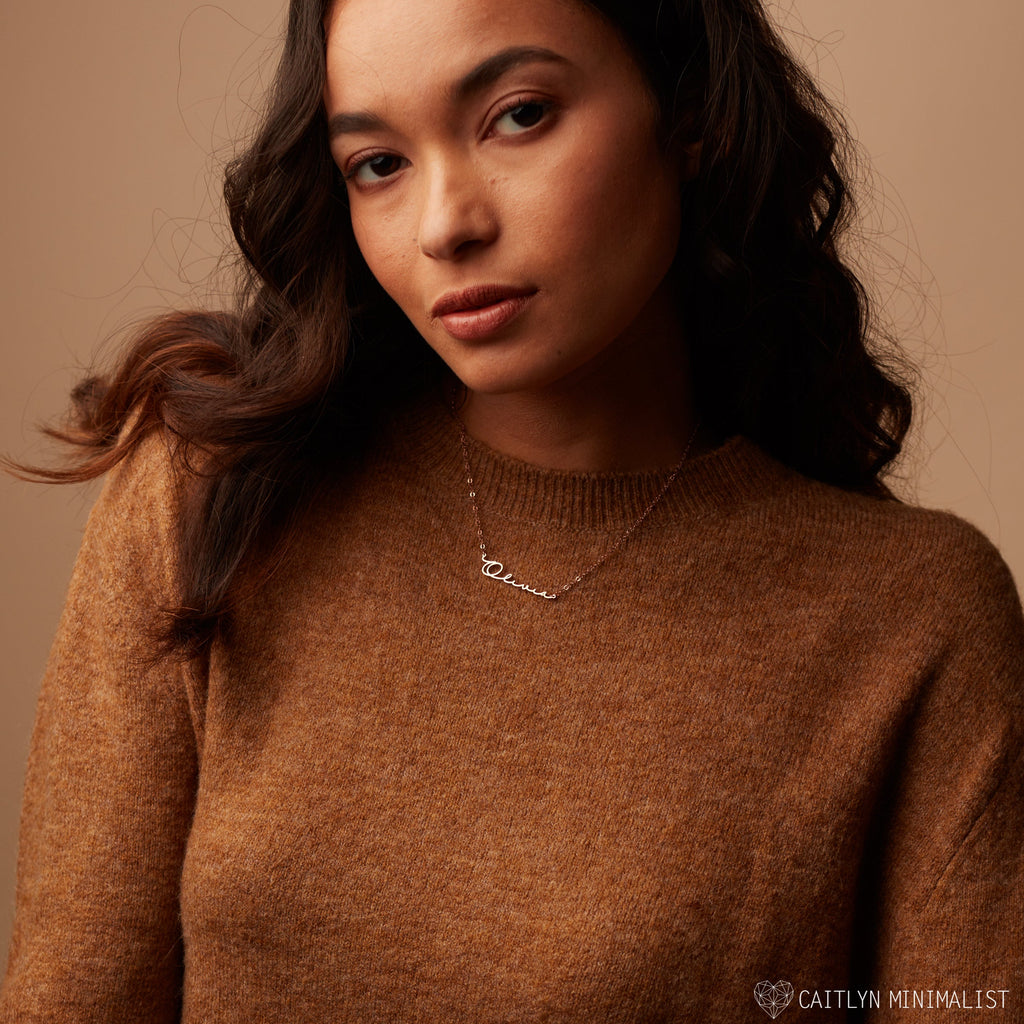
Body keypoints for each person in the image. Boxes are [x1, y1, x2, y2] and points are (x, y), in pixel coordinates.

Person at [1, 0, 1021, 1020]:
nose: (445, 224)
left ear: (693, 112)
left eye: (519, 115)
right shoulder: (210, 494)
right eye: (377, 165)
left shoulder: (910, 617)